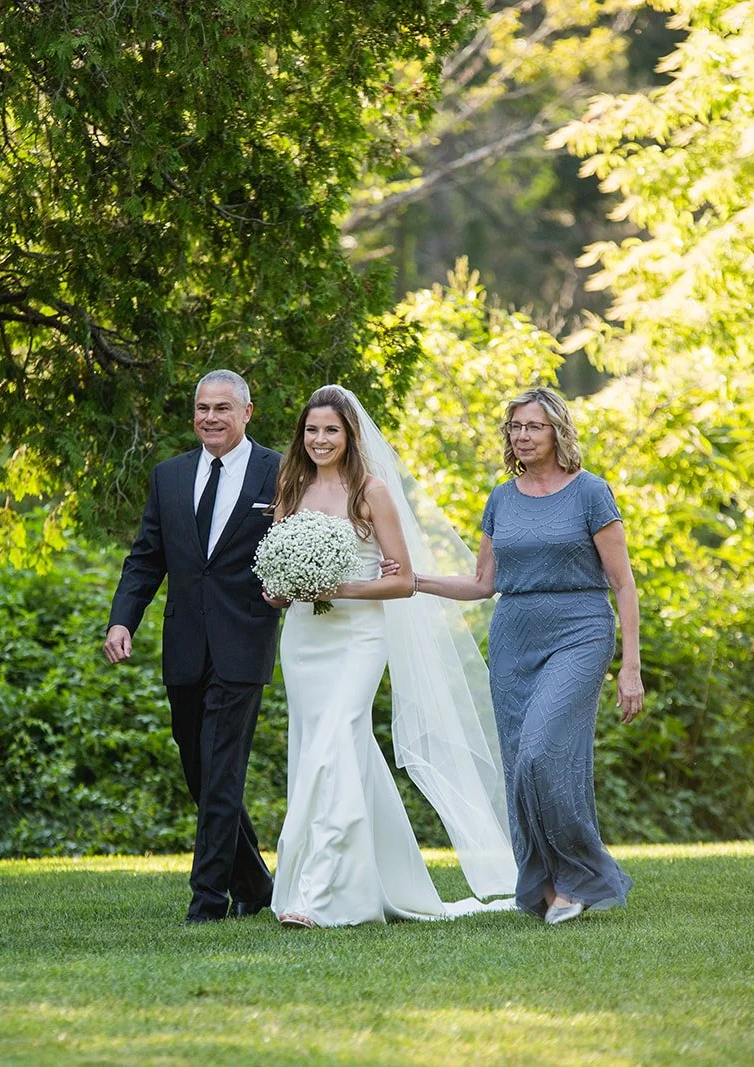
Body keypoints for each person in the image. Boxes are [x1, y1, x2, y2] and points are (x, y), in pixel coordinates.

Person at [266, 385, 517, 928]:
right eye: (311, 430)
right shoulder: (291, 487)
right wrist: (282, 588)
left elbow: (402, 580)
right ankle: (378, 881)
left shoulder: (371, 491)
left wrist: (339, 589)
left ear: (350, 435)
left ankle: (317, 893)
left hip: (359, 637)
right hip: (304, 637)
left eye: (331, 430)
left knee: (335, 739)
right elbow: (285, 576)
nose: (320, 439)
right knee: (327, 748)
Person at [416, 385, 643, 925]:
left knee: (545, 752)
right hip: (514, 637)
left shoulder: (590, 492)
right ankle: (544, 884)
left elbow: (624, 583)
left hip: (579, 630)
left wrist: (629, 667)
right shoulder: (502, 497)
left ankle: (580, 877)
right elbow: (483, 583)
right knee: (520, 765)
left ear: (557, 431)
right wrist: (418, 581)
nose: (522, 435)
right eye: (515, 427)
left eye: (533, 426)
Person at [104, 370, 283, 924]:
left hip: (244, 642)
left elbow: (302, 539)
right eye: (202, 408)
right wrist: (122, 620)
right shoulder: (169, 476)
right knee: (200, 772)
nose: (210, 418)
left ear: (247, 413)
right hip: (183, 645)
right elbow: (146, 556)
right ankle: (255, 882)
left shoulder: (279, 472)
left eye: (222, 408)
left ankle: (208, 901)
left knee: (222, 770)